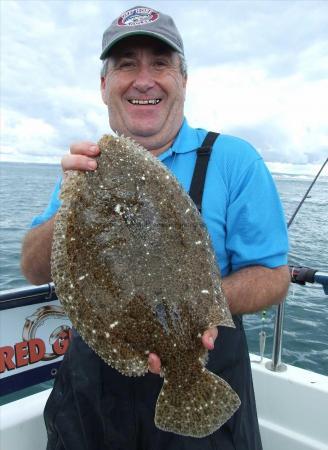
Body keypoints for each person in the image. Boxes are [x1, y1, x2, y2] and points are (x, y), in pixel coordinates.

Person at [21, 5, 290, 450]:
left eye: (160, 63)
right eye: (126, 64)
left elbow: (275, 275)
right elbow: (34, 269)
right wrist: (72, 202)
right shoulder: (88, 168)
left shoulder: (234, 160)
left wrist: (194, 309)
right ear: (105, 85)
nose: (143, 78)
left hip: (203, 365)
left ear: (183, 79)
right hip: (93, 400)